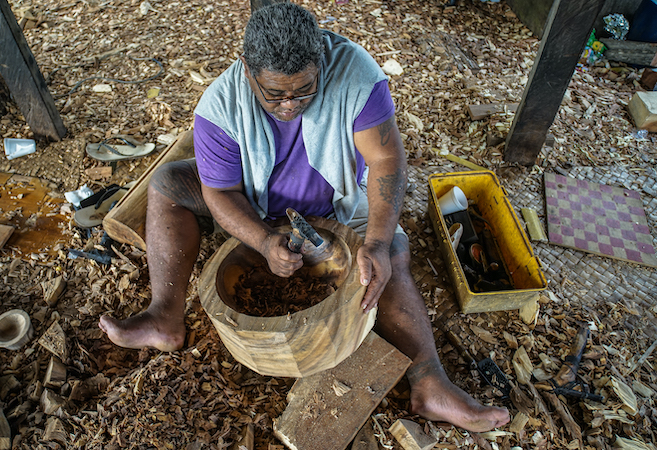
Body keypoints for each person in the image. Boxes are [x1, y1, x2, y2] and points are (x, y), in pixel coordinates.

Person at [99, 2, 510, 432]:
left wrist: (376, 243)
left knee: (394, 251)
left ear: (322, 58)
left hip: (339, 200)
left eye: (305, 89)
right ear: (246, 70)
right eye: (274, 93)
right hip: (259, 204)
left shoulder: (356, 75)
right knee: (166, 183)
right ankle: (165, 316)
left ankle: (429, 382)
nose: (291, 104)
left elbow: (387, 158)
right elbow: (219, 191)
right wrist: (261, 239)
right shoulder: (219, 107)